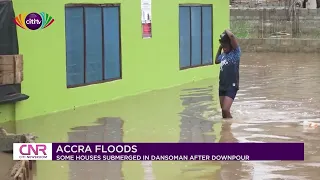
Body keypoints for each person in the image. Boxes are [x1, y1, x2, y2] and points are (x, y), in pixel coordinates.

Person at [215, 29, 241, 119]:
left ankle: (230, 124)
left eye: (226, 45)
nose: (224, 48)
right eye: (223, 46)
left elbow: (232, 36)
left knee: (226, 110)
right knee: (223, 112)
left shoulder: (235, 53)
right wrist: (220, 48)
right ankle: (226, 129)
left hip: (232, 86)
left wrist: (226, 30)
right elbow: (216, 61)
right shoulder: (223, 55)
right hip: (222, 85)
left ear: (230, 44)